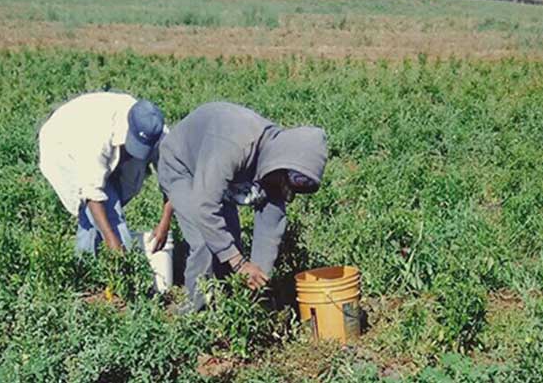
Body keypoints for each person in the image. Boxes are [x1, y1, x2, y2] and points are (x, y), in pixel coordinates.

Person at [157, 102, 327, 312]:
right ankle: (195, 313)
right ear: (283, 163)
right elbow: (205, 207)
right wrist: (239, 264)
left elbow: (269, 229)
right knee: (204, 241)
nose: (284, 188)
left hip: (213, 173)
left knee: (229, 241)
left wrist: (256, 279)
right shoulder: (237, 145)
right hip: (182, 166)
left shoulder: (277, 166)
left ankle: (227, 302)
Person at [38, 91, 173, 255]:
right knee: (105, 213)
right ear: (128, 127)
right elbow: (92, 193)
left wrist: (165, 223)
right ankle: (92, 269)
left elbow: (173, 179)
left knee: (104, 212)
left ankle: (91, 265)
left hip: (102, 149)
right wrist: (113, 242)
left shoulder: (157, 130)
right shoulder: (97, 136)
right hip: (63, 145)